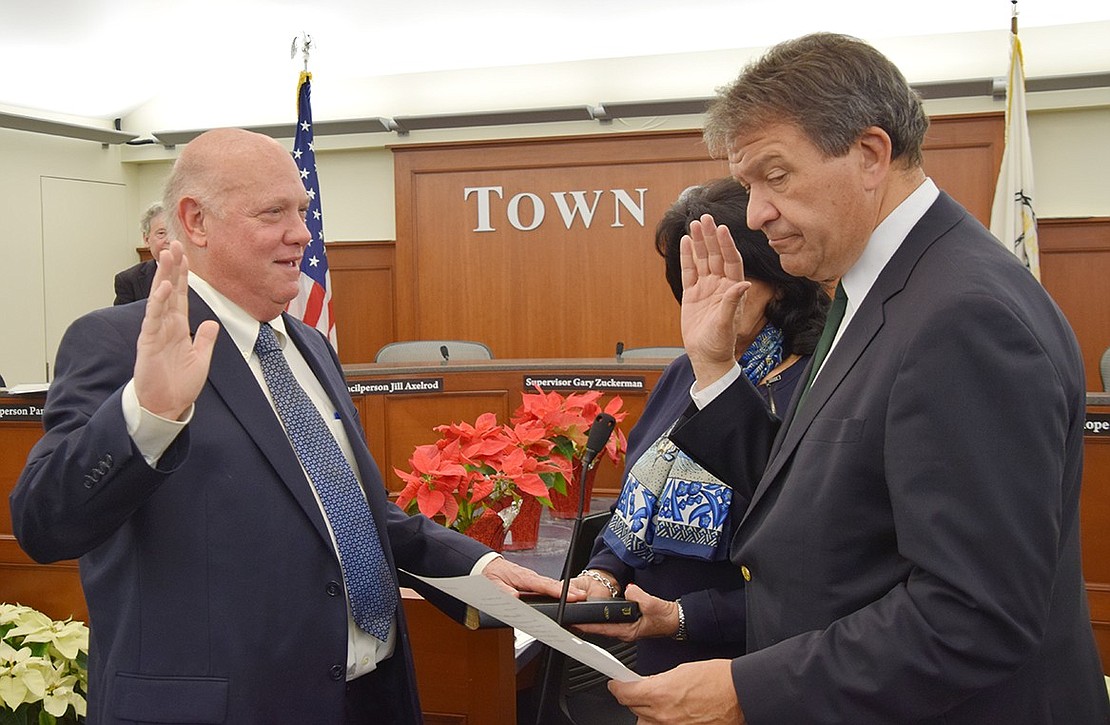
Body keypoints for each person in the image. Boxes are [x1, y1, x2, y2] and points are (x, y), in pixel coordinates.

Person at [608, 33, 1110, 724]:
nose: (754, 213)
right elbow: (818, 490)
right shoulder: (869, 290)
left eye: (775, 176)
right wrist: (718, 367)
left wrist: (745, 691)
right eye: (748, 185)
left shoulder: (963, 315)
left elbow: (973, 614)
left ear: (870, 155)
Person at [10, 128, 577, 725]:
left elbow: (355, 514)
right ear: (195, 221)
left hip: (367, 698)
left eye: (302, 210)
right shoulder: (117, 342)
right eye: (273, 212)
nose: (302, 233)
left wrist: (481, 567)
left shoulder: (307, 345)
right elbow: (45, 525)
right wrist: (147, 418)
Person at [571, 178, 828, 675]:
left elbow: (814, 563)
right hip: (656, 664)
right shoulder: (681, 373)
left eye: (729, 272)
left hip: (759, 668)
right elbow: (634, 501)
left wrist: (683, 618)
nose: (710, 291)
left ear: (779, 277)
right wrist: (602, 576)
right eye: (694, 277)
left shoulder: (820, 379)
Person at [113, 202, 169, 305]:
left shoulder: (204, 272)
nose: (170, 240)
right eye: (161, 233)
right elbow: (124, 320)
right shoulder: (129, 281)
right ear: (146, 239)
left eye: (176, 232)